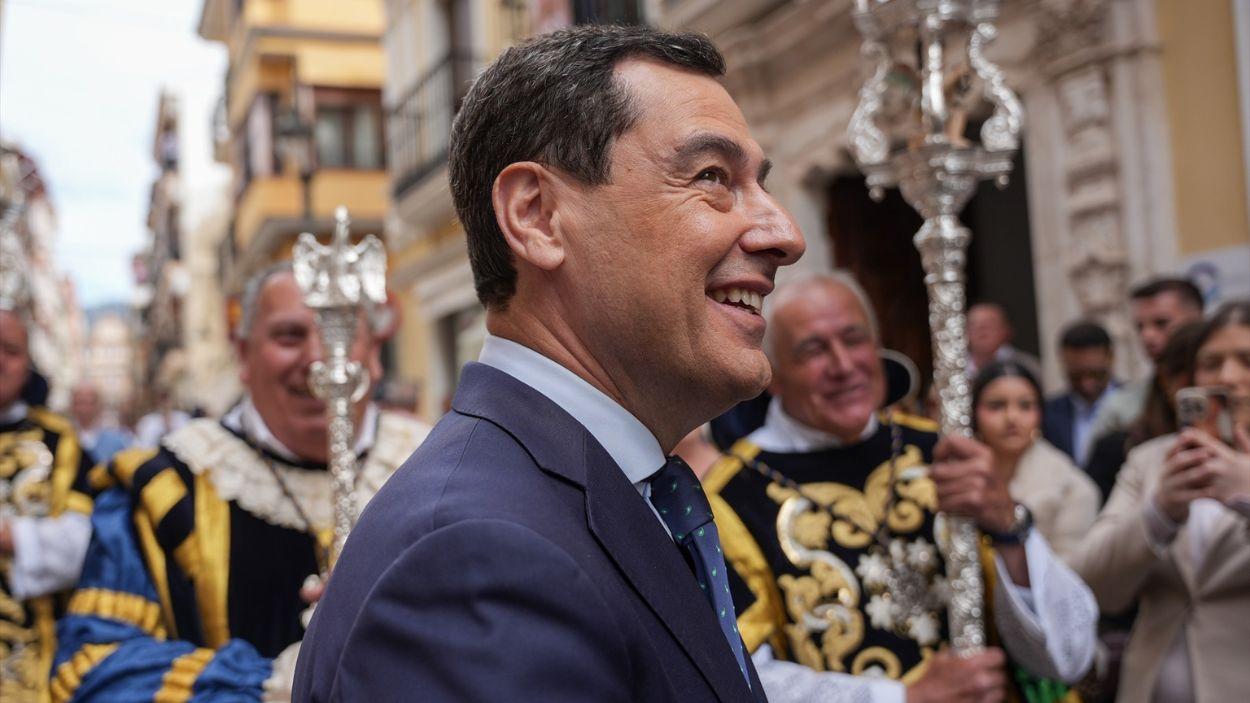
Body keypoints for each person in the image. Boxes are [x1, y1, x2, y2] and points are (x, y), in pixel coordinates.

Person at [296, 25, 804, 702]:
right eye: (712, 177)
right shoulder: (476, 559)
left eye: (759, 184)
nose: (784, 234)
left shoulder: (579, 497)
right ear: (536, 216)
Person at [706, 272, 1097, 703]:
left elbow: (1068, 655)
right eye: (814, 350)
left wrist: (1008, 524)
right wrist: (900, 698)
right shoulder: (730, 499)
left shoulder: (942, 452)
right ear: (774, 374)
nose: (843, 366)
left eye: (854, 339)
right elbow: (743, 677)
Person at [50, 264, 430, 701]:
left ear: (374, 352)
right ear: (244, 354)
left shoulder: (438, 464)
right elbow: (90, 668)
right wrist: (276, 684)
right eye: (289, 336)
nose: (319, 358)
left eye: (340, 331)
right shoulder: (169, 486)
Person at [1070, 299, 1250, 703]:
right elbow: (1092, 584)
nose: (1228, 377)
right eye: (1211, 363)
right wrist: (1159, 513)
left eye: (1247, 361)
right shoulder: (1151, 461)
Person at [0, 307, 94, 702]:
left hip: (32, 657)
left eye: (10, 350)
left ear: (28, 363)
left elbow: (84, 544)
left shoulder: (60, 440)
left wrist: (10, 537)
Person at [974, 360, 1100, 561]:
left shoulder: (1073, 488)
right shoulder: (957, 476)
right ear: (973, 413)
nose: (1011, 417)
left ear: (1041, 413)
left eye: (1025, 406)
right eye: (996, 406)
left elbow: (1069, 573)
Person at [1085, 323, 1204, 503]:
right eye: (1211, 365)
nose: (1227, 377)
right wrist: (1160, 509)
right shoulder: (1134, 454)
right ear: (1165, 380)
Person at [1088, 277, 1204, 440]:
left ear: (1198, 319)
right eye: (1139, 327)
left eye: (1161, 323)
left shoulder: (1233, 388)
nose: (1147, 336)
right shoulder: (1120, 408)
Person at [1043, 320, 1118, 467]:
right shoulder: (1048, 413)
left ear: (1110, 357)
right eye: (1077, 375)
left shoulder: (1136, 405)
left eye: (1094, 373)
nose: (1086, 382)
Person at [965, 302, 1042, 380]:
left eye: (989, 323)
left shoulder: (1027, 366)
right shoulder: (959, 367)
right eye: (973, 324)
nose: (980, 328)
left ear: (1007, 330)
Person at [68, 381, 133, 464]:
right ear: (72, 405)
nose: (84, 409)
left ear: (98, 405)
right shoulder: (64, 436)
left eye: (89, 403)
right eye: (80, 402)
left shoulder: (117, 440)